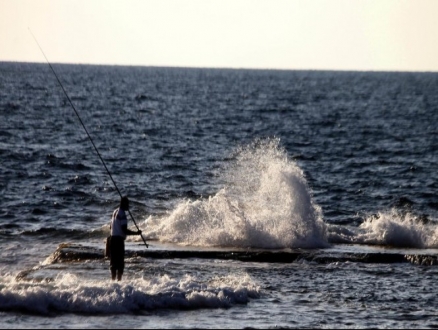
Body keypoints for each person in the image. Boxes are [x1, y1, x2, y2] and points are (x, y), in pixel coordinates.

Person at [109, 196, 142, 281]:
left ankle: (113, 281)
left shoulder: (115, 212)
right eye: (127, 204)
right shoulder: (122, 214)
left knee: (113, 263)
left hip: (112, 240)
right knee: (120, 264)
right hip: (119, 241)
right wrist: (136, 233)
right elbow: (124, 231)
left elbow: (110, 227)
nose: (128, 206)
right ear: (124, 204)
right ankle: (119, 281)